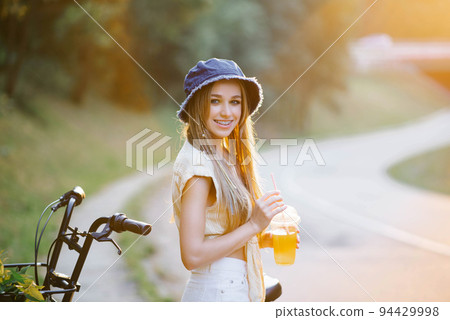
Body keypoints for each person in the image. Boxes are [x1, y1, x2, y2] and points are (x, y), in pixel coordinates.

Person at [171, 58, 294, 302]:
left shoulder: (224, 155)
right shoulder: (198, 165)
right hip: (217, 293)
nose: (227, 112)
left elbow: (219, 231)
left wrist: (264, 237)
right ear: (197, 105)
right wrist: (254, 225)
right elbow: (192, 255)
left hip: (234, 288)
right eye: (215, 101)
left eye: (235, 102)